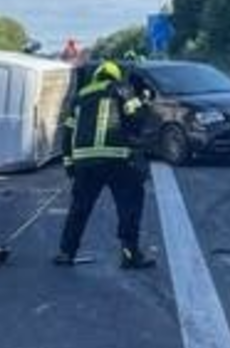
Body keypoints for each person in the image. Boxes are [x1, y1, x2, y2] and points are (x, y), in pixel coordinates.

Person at [55, 60, 156, 269]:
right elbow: (137, 118)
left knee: (79, 208)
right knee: (129, 207)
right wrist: (145, 97)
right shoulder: (121, 88)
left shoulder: (80, 96)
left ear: (96, 76)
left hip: (86, 162)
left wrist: (69, 163)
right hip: (118, 158)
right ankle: (129, 254)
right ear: (115, 76)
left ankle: (66, 252)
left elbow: (68, 132)